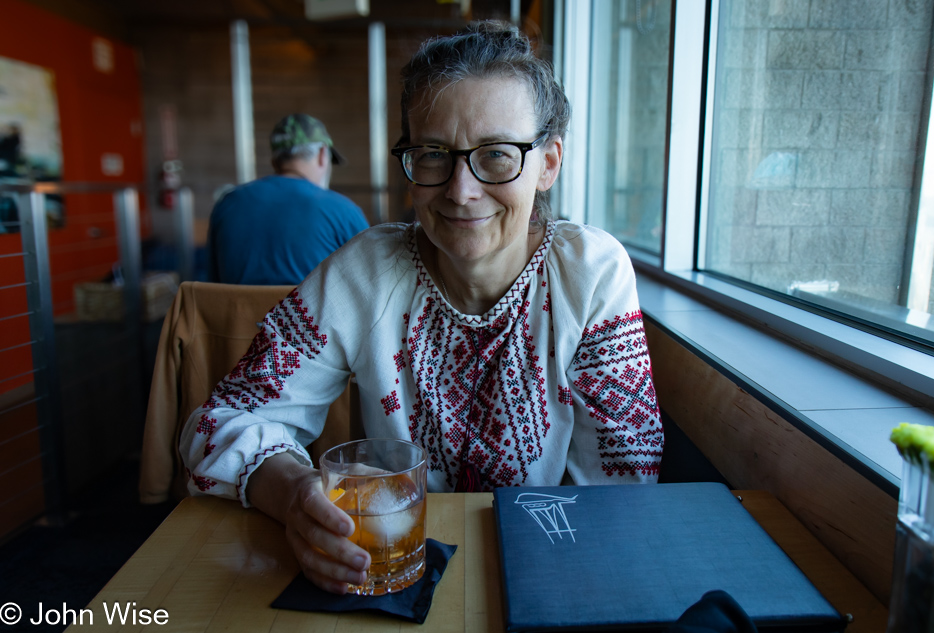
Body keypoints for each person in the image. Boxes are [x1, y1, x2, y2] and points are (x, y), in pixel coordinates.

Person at [181, 21, 663, 594]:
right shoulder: (367, 270)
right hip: (386, 575)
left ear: (549, 163)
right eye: (433, 155)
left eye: (497, 155)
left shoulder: (590, 273)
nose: (461, 189)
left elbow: (622, 488)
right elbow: (217, 424)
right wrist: (293, 494)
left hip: (552, 572)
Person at [206, 113, 369, 285]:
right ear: (323, 154)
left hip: (237, 312)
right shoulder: (343, 210)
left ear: (275, 159)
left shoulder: (227, 204)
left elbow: (212, 283)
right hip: (309, 312)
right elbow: (372, 284)